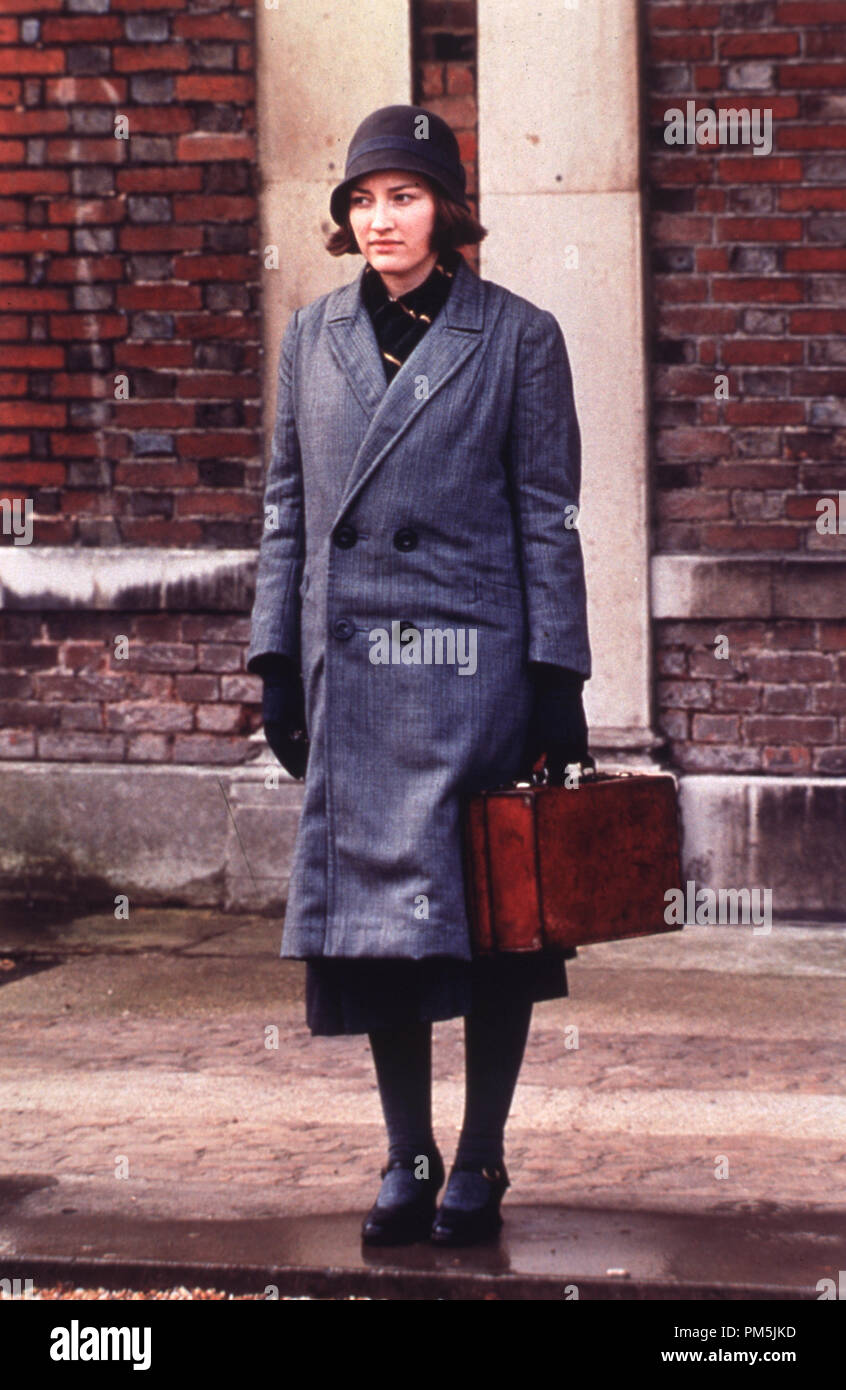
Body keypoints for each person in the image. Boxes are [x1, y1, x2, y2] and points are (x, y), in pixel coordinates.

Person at [246, 105, 591, 1246]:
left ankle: (480, 1159)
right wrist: (276, 662)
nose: (381, 217)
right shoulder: (308, 338)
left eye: (405, 194)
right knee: (382, 930)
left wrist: (558, 677)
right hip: (356, 678)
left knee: (490, 923)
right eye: (363, 198)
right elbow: (288, 511)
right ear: (345, 216)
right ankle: (407, 1151)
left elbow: (547, 514)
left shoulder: (518, 336)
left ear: (447, 209)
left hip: (475, 671)